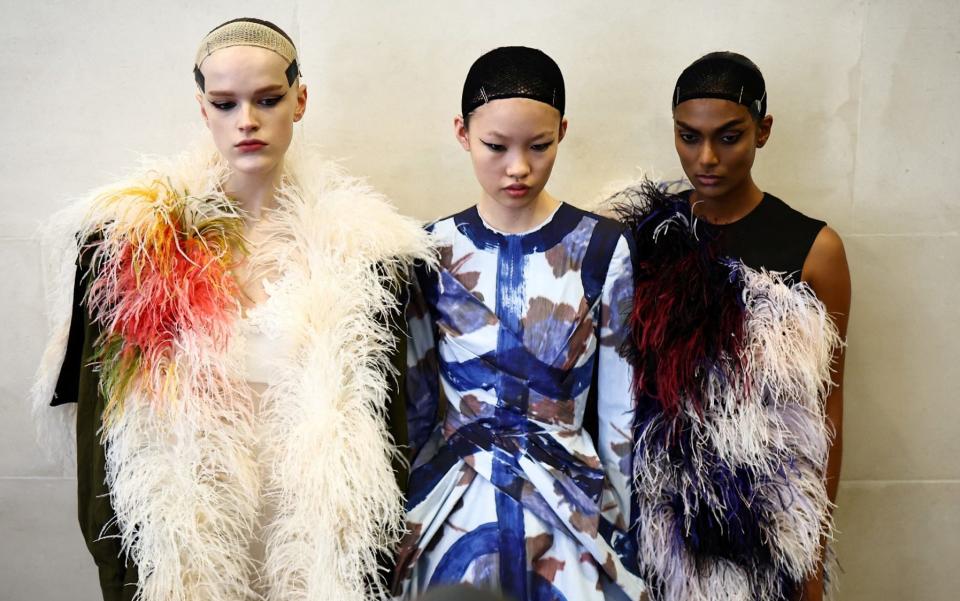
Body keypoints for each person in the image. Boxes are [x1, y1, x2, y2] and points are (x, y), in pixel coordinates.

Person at [30, 17, 433, 601]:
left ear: (300, 99)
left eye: (267, 99)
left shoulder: (363, 256)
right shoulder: (134, 249)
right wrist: (121, 574)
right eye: (225, 103)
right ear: (202, 109)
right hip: (186, 547)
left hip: (317, 548)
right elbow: (103, 439)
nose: (246, 121)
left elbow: (390, 426)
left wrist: (369, 559)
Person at [393, 46, 647, 601]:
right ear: (462, 132)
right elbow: (414, 411)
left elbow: (620, 414)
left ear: (562, 130)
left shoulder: (603, 247)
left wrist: (625, 531)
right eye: (495, 146)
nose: (518, 167)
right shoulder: (429, 249)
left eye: (539, 145)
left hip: (572, 507)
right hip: (453, 503)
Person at [614, 52, 850, 601]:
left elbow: (828, 404)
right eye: (688, 136)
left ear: (762, 131)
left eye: (728, 136)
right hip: (661, 522)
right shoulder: (645, 238)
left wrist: (810, 548)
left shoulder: (814, 250)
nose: (707, 157)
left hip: (765, 526)